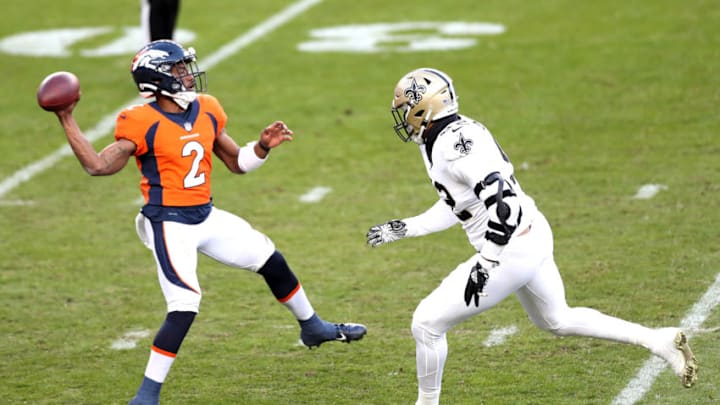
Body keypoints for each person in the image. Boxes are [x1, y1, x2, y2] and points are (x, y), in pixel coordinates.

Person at [46, 39, 367, 405]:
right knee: (184, 305)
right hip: (168, 222)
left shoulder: (207, 109)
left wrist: (262, 147)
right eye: (178, 68)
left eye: (185, 66)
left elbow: (237, 163)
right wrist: (66, 117)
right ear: (157, 78)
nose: (186, 74)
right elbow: (98, 165)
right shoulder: (140, 120)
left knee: (270, 259)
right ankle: (146, 396)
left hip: (205, 214)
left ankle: (313, 327)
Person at [366, 67, 697, 405]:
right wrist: (406, 227)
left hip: (509, 248)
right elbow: (461, 203)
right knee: (557, 318)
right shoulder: (447, 135)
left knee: (426, 324)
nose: (404, 117)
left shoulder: (453, 145)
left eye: (405, 107)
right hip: (531, 233)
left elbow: (504, 204)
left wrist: (488, 259)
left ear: (425, 106)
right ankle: (658, 340)